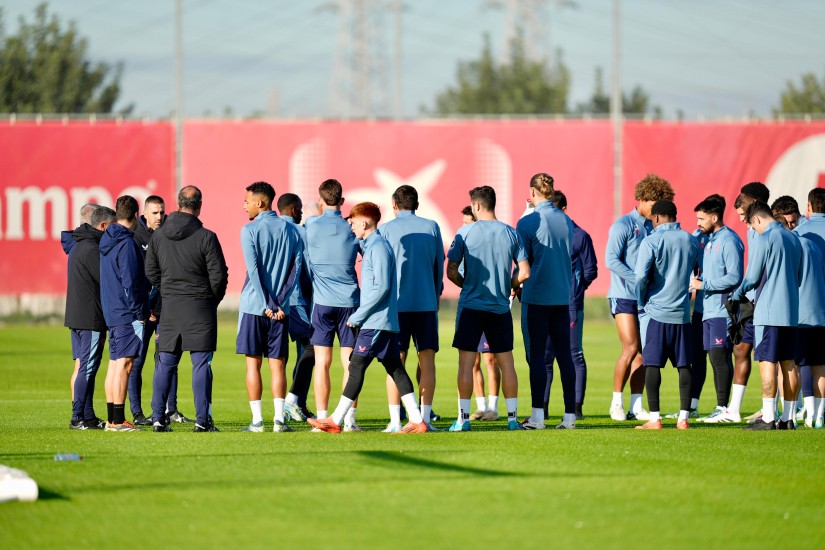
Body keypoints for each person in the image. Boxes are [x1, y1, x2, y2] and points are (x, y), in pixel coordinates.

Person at [308, 202, 428, 434]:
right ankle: (417, 420)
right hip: (382, 322)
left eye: (352, 224)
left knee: (356, 366)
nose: (351, 228)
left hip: (375, 322)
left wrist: (359, 316)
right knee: (395, 368)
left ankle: (336, 420)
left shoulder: (378, 247)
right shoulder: (373, 245)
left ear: (364, 223)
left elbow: (381, 287)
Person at [446, 186, 530, 431]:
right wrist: (507, 286)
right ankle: (513, 419)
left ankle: (463, 420)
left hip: (471, 306)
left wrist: (467, 284)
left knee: (465, 364)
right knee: (507, 363)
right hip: (499, 308)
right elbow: (524, 272)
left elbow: (450, 270)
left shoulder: (465, 232)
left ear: (477, 206)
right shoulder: (511, 233)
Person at [146, 186, 229, 432]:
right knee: (201, 364)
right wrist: (210, 299)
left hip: (170, 307)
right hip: (200, 308)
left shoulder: (159, 236)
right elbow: (219, 276)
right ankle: (203, 421)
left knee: (165, 362)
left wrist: (167, 291)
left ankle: (159, 418)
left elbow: (150, 271)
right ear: (199, 205)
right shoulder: (206, 237)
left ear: (178, 203)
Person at [605, 174, 675, 421]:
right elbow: (611, 259)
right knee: (631, 347)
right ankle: (616, 404)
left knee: (643, 352)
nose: (657, 210)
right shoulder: (623, 225)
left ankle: (636, 406)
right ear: (643, 199)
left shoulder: (654, 227)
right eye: (654, 203)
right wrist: (637, 279)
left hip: (646, 299)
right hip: (623, 294)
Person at [377, 185, 444, 432]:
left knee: (396, 362)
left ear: (394, 204)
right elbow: (439, 264)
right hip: (426, 303)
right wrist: (436, 292)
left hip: (396, 305)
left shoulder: (385, 229)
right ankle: (423, 419)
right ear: (417, 204)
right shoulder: (432, 227)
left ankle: (395, 421)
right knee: (427, 362)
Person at [731, 201, 802, 430]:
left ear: (758, 219)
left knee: (767, 361)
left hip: (769, 311)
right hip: (791, 311)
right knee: (789, 364)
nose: (754, 230)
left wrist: (737, 293)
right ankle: (788, 418)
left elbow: (751, 277)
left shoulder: (763, 238)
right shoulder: (794, 238)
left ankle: (769, 417)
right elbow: (798, 277)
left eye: (753, 225)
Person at [237, 182, 301, 433]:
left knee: (253, 365)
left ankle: (257, 422)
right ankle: (278, 421)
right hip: (281, 310)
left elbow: (253, 271)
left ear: (260, 203)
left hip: (255, 307)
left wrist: (267, 303)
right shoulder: (292, 230)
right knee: (278, 365)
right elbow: (295, 269)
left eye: (247, 201)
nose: (244, 205)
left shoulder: (249, 230)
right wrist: (280, 303)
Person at [516, 174, 576, 430]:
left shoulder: (527, 222)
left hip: (537, 297)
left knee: (537, 358)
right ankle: (570, 417)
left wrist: (511, 285)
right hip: (562, 298)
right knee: (565, 357)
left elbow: (522, 263)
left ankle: (538, 417)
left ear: (532, 192)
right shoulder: (566, 220)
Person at [633, 200, 699, 430]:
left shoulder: (652, 241)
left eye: (652, 220)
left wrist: (641, 299)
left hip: (656, 312)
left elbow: (640, 276)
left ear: (658, 218)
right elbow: (697, 270)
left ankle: (655, 418)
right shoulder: (691, 239)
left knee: (652, 365)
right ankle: (683, 419)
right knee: (684, 366)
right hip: (681, 314)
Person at [129, 195, 192, 426]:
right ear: (144, 214)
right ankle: (137, 412)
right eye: (154, 212)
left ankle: (170, 409)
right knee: (137, 361)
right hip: (144, 312)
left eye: (162, 212)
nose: (159, 217)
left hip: (166, 310)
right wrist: (145, 308)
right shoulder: (136, 238)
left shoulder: (168, 235)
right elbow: (137, 278)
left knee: (168, 359)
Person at [305, 179, 362, 431]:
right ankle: (349, 420)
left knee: (322, 362)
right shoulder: (351, 228)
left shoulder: (311, 226)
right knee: (350, 363)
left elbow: (305, 262)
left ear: (321, 198)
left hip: (323, 302)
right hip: (350, 302)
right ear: (341, 200)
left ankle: (322, 418)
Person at [543, 189, 598, 421]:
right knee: (546, 357)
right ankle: (542, 408)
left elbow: (590, 271)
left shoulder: (580, 236)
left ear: (564, 209)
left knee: (574, 354)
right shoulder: (544, 235)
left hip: (571, 306)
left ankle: (576, 407)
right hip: (546, 304)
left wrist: (575, 290)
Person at [689, 195, 744, 423]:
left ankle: (723, 409)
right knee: (697, 358)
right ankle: (692, 407)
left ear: (714, 217)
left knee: (719, 358)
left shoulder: (729, 240)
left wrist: (704, 285)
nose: (698, 223)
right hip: (703, 310)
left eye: (701, 218)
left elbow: (734, 276)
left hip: (721, 310)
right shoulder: (704, 237)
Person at [100, 196, 150, 431]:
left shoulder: (107, 239)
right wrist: (140, 311)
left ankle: (112, 418)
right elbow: (131, 281)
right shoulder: (127, 243)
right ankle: (118, 421)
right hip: (126, 313)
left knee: (114, 364)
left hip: (112, 310)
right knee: (125, 364)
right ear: (136, 215)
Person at [63, 204, 112, 429]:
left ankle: (88, 415)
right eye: (111, 229)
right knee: (88, 367)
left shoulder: (79, 245)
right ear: (102, 226)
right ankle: (77, 417)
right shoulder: (92, 249)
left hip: (79, 316)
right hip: (89, 318)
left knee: (87, 365)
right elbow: (107, 281)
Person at [726, 182, 770, 422]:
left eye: (742, 209)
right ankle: (733, 410)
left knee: (770, 357)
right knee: (741, 349)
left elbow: (756, 273)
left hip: (764, 301)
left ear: (753, 202)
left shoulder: (768, 229)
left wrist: (739, 292)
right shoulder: (752, 230)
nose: (741, 217)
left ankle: (776, 410)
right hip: (752, 300)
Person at [277, 193, 317, 422]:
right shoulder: (301, 233)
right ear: (293, 210)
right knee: (310, 350)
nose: (301, 212)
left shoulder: (267, 230)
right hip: (297, 302)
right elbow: (307, 269)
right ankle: (296, 401)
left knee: (276, 356)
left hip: (271, 304)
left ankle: (279, 407)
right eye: (299, 209)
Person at [794, 188, 825, 427]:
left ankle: (810, 412)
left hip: (805, 308)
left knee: (804, 362)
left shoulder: (799, 234)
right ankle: (820, 415)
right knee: (822, 364)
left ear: (809, 206)